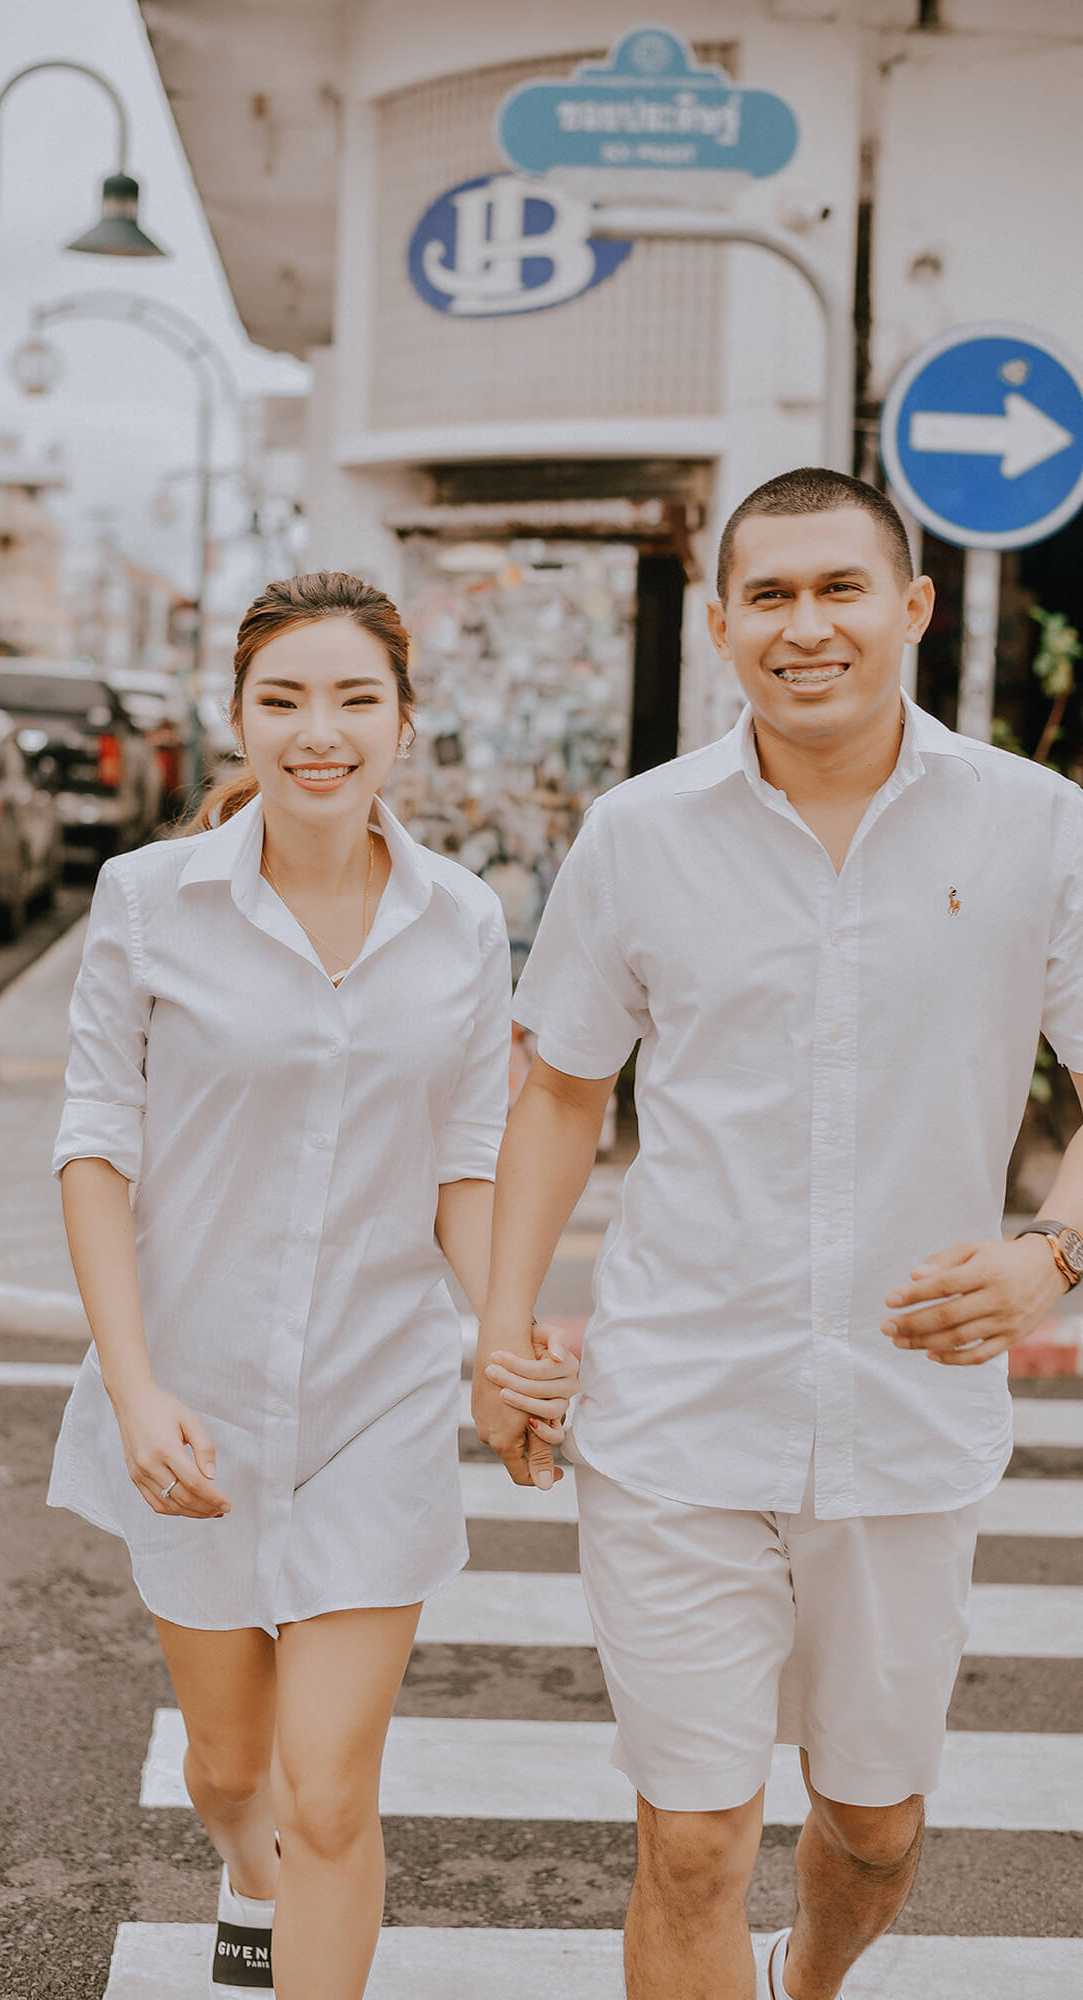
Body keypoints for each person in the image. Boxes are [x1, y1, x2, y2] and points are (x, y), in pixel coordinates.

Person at [474, 469, 1083, 2000]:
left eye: (838, 590)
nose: (804, 627)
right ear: (723, 623)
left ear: (911, 610)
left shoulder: (1037, 828)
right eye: (769, 597)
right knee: (688, 1840)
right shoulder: (638, 834)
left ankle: (804, 1984)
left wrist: (1047, 1254)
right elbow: (555, 1096)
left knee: (872, 1826)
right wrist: (503, 1333)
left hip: (904, 1420)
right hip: (676, 1408)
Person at [47, 571, 578, 2000]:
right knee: (232, 1775)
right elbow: (95, 1148)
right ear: (237, 717)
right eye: (281, 700)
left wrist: (502, 1338)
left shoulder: (462, 919)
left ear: (404, 725)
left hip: (376, 1399)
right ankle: (242, 1868)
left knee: (329, 1791)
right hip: (194, 1400)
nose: (317, 731)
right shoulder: (148, 901)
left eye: (353, 699)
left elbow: (468, 1160)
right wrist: (137, 1384)